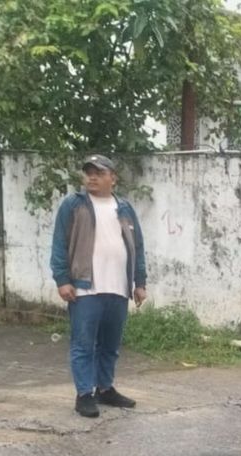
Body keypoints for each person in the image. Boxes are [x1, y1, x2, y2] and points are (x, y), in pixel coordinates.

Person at [49, 155, 147, 418]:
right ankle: (84, 394)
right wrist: (62, 280)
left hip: (118, 287)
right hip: (84, 288)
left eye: (99, 173)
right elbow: (59, 243)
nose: (92, 177)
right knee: (83, 343)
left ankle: (105, 389)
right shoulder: (74, 205)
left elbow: (137, 246)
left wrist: (140, 282)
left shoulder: (124, 208)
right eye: (88, 173)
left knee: (110, 344)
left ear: (112, 178)